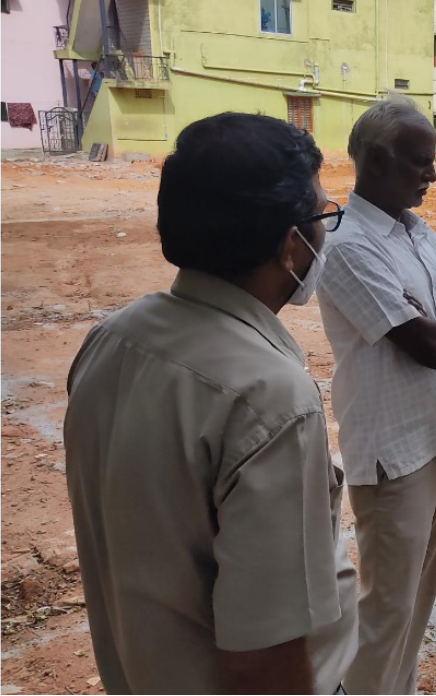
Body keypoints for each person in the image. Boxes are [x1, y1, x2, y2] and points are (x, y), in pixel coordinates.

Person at [63, 113, 356, 696]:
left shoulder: (114, 337)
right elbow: (265, 659)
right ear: (290, 247)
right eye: (324, 216)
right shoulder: (269, 397)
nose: (328, 232)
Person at [316, 97, 436, 696]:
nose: (433, 175)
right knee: (387, 608)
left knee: (417, 600)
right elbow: (429, 345)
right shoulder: (347, 246)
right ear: (375, 159)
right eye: (421, 162)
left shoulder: (418, 233)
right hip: (394, 452)